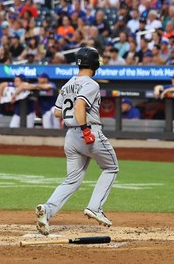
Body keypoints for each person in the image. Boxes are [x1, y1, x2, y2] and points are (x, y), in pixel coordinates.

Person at [35, 46, 119, 235]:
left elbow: (57, 112)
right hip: (87, 132)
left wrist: (74, 117)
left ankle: (47, 210)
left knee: (72, 180)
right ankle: (95, 207)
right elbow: (80, 105)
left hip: (70, 137)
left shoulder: (67, 84)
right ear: (94, 63)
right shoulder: (91, 84)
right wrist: (85, 129)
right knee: (111, 167)